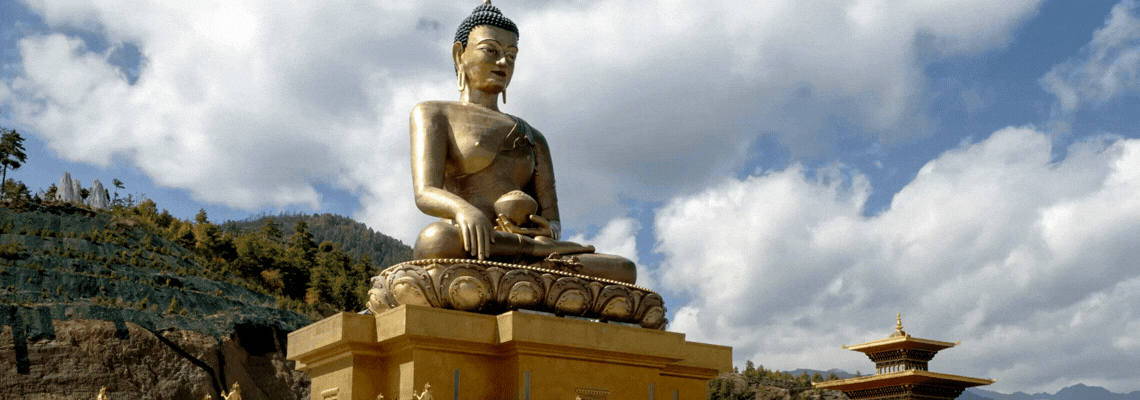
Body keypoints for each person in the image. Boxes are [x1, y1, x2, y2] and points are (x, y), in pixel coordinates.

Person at [409, 0, 635, 284]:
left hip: (519, 245)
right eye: (491, 51)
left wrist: (547, 231)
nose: (503, 63)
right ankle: (532, 276)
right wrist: (463, 210)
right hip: (469, 244)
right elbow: (425, 192)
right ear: (459, 55)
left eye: (511, 55)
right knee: (435, 240)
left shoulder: (532, 135)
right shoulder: (433, 113)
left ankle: (524, 269)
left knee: (623, 269)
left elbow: (552, 220)